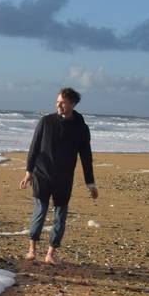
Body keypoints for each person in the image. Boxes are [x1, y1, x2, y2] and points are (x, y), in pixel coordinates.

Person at [20, 86, 98, 264]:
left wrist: (90, 183)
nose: (58, 105)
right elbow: (34, 148)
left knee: (60, 217)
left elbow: (86, 156)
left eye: (62, 102)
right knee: (39, 211)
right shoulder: (46, 122)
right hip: (42, 174)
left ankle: (50, 254)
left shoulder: (81, 128)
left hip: (63, 178)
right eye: (57, 102)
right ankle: (32, 250)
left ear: (72, 103)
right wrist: (28, 172)